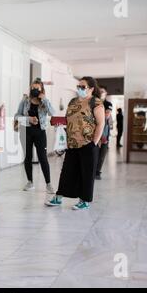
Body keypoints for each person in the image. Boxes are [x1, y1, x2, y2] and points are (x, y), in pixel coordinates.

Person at [45, 76, 105, 210]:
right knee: (67, 171)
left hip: (88, 144)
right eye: (78, 86)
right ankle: (58, 197)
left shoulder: (95, 102)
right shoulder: (73, 101)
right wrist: (60, 124)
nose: (80, 89)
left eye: (83, 87)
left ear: (91, 89)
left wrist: (94, 142)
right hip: (72, 143)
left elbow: (101, 123)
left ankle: (84, 200)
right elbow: (69, 119)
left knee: (86, 173)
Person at [15, 78, 55, 193]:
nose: (34, 90)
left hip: (40, 133)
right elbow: (17, 116)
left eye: (37, 88)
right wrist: (29, 119)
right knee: (28, 157)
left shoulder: (44, 102)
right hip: (26, 132)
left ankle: (48, 184)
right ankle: (30, 182)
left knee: (43, 158)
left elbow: (52, 113)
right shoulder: (25, 100)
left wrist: (45, 100)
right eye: (32, 88)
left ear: (41, 89)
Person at [95, 101, 113, 180]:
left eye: (110, 112)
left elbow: (108, 128)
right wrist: (101, 137)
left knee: (102, 157)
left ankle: (98, 172)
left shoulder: (108, 118)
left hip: (105, 140)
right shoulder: (99, 117)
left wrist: (106, 138)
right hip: (98, 140)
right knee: (96, 156)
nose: (108, 113)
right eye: (107, 112)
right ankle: (94, 172)